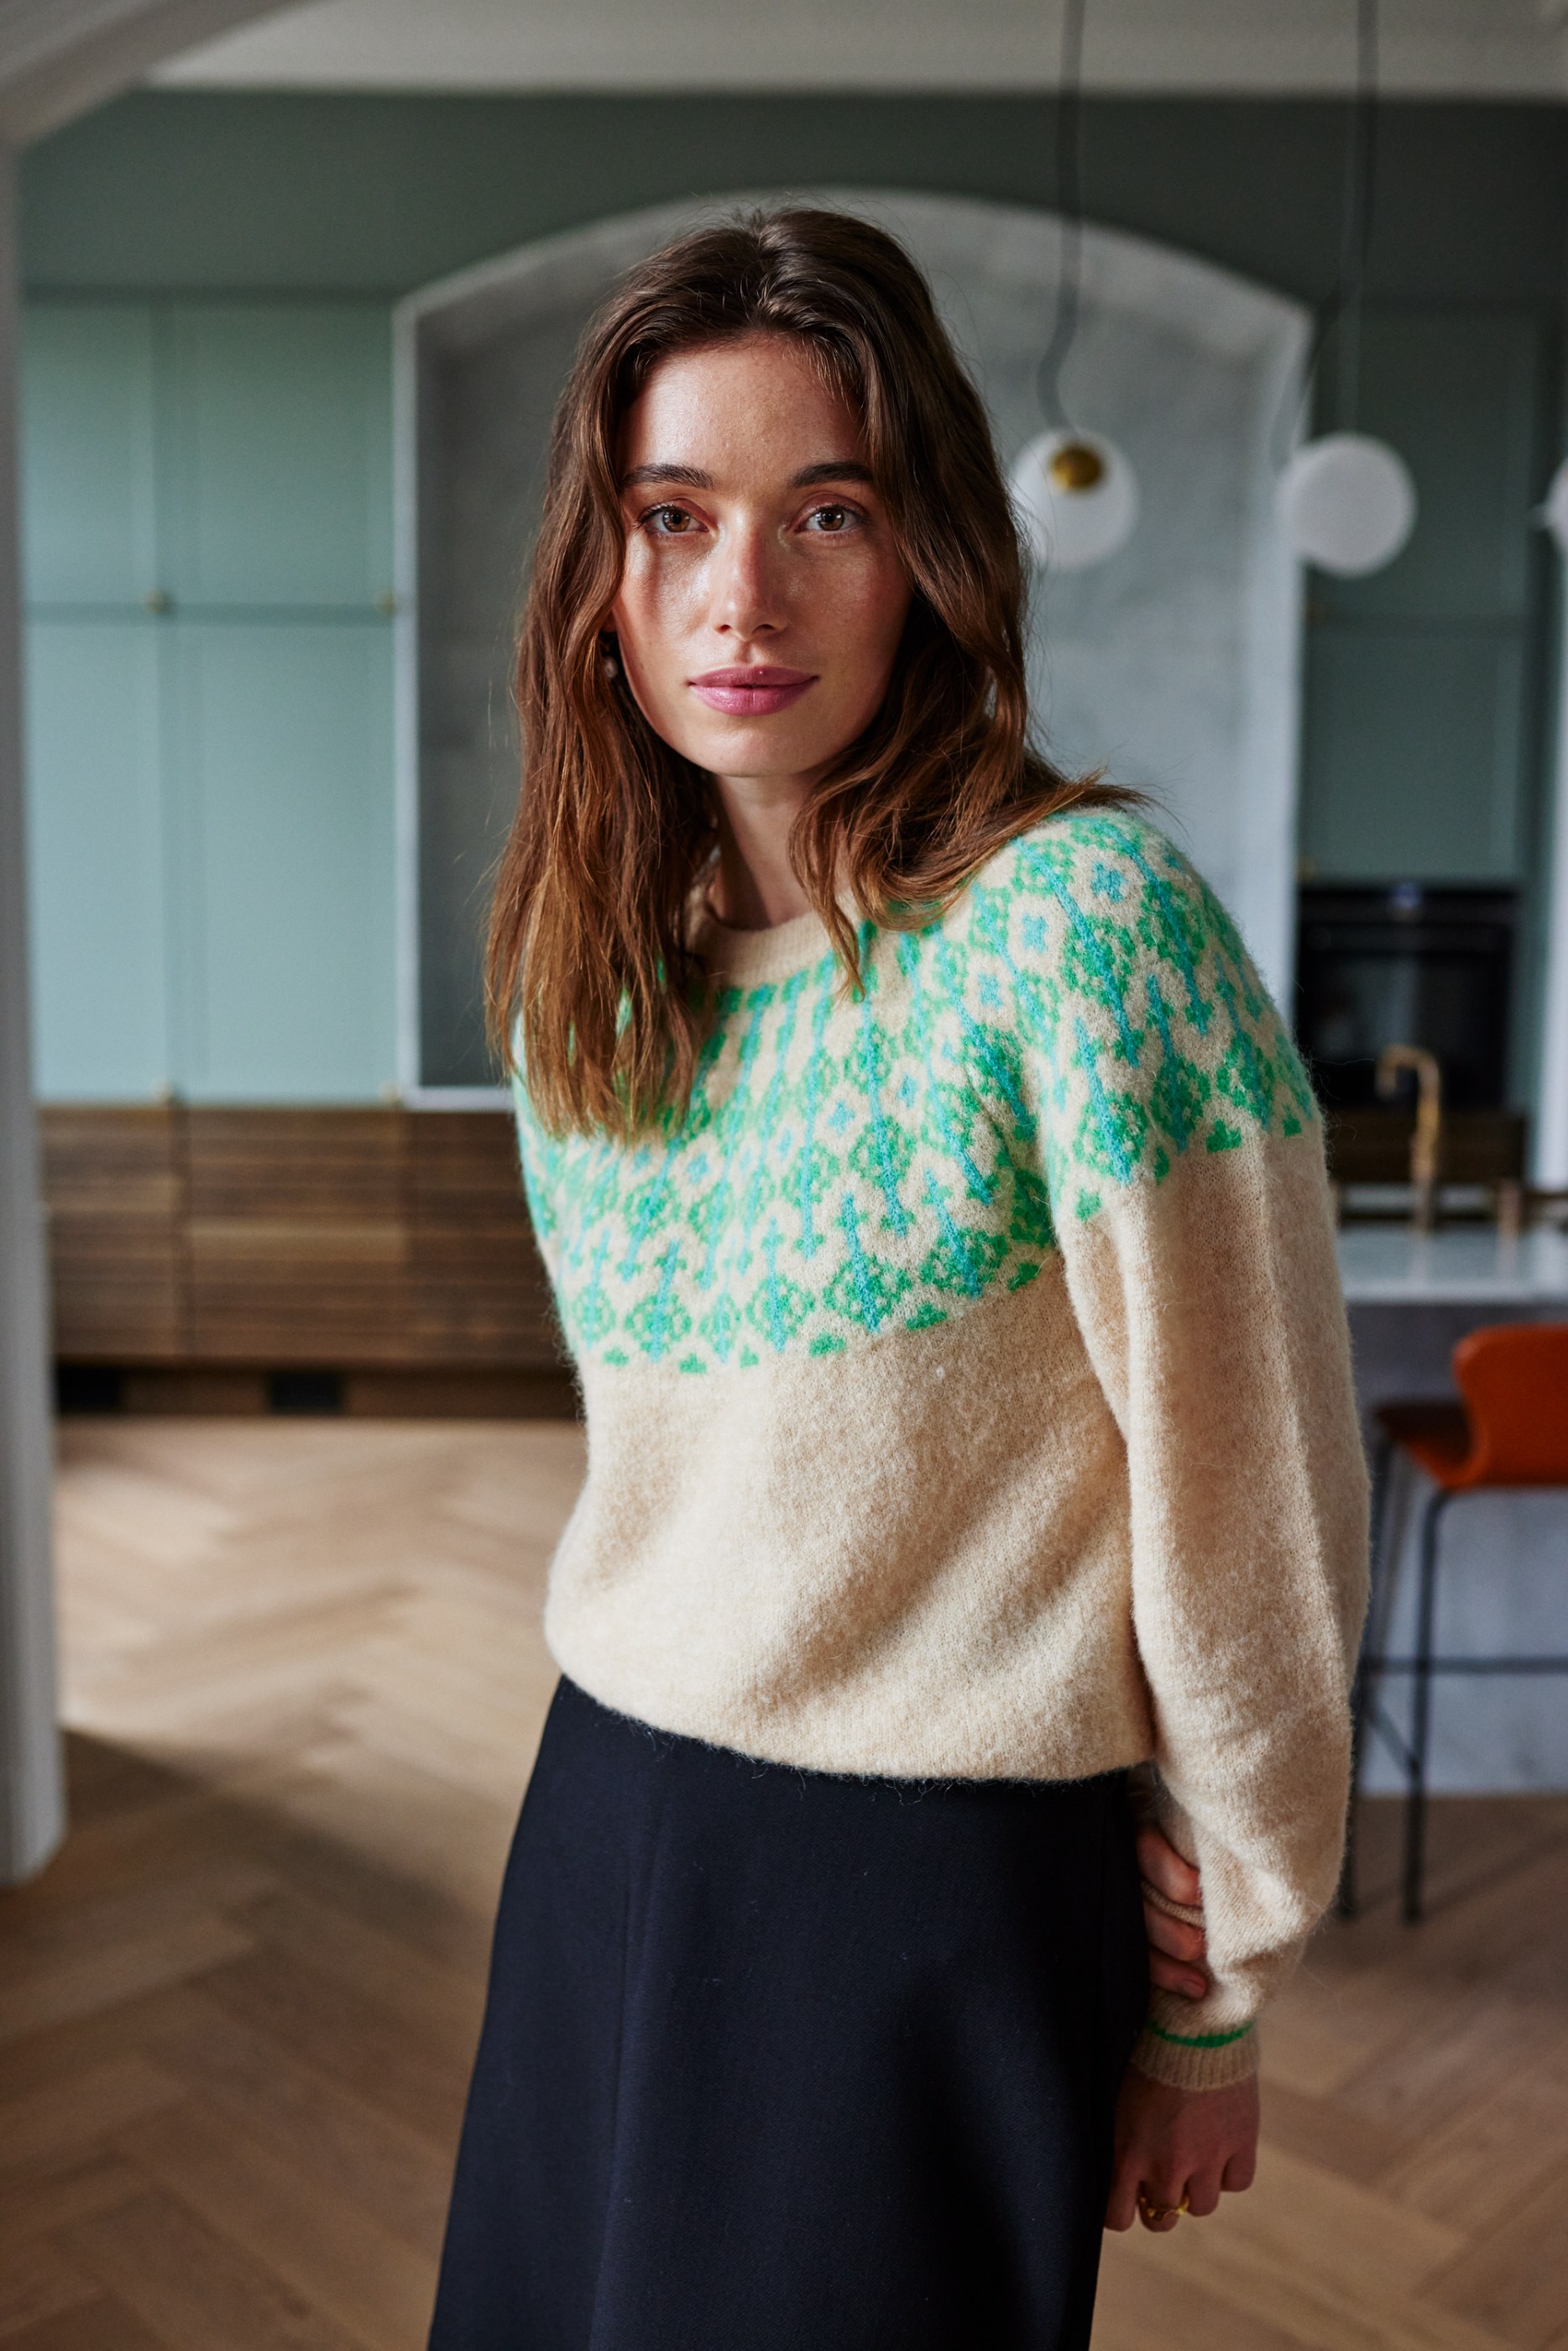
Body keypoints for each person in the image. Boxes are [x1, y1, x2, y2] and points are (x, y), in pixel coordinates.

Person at [427, 207, 1368, 2351]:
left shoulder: (1082, 928)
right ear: (602, 575)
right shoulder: (588, 972)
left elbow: (1259, 1516)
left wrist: (1217, 1989)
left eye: (822, 511)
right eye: (673, 517)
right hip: (608, 1818)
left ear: (932, 546)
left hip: (917, 1889)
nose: (737, 596)